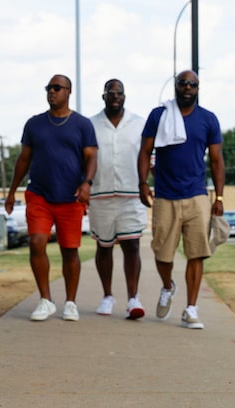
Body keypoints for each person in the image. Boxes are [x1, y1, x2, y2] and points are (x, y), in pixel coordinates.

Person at [3, 74, 97, 322]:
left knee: (70, 251)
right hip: (40, 195)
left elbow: (91, 157)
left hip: (70, 198)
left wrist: (87, 184)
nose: (51, 91)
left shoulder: (82, 124)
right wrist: (12, 191)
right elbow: (24, 159)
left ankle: (70, 302)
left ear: (69, 91)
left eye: (57, 87)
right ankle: (45, 300)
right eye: (48, 87)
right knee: (36, 242)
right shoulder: (34, 124)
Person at [138, 70, 225, 330]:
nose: (187, 88)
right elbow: (145, 151)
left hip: (197, 194)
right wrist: (143, 183)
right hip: (165, 194)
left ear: (198, 88)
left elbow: (217, 160)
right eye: (183, 83)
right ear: (175, 87)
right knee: (162, 253)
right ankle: (168, 286)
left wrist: (219, 196)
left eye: (193, 84)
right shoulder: (160, 115)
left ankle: (191, 308)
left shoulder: (208, 119)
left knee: (196, 253)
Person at [89, 79, 147, 319]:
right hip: (100, 194)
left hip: (131, 194)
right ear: (103, 96)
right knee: (103, 247)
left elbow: (148, 157)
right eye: (110, 93)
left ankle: (133, 299)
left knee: (132, 245)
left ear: (125, 96)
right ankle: (107, 296)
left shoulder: (140, 124)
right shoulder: (90, 124)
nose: (115, 96)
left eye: (119, 93)